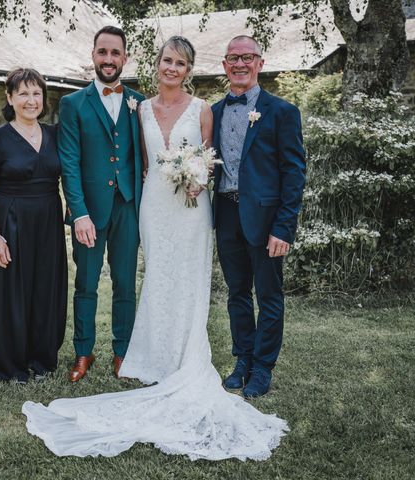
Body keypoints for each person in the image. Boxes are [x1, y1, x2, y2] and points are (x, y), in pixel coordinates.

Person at [22, 36, 288, 461]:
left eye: (180, 63)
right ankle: (124, 353)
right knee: (154, 276)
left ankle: (185, 356)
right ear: (156, 64)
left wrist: (197, 178)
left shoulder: (203, 110)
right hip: (151, 206)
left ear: (189, 69)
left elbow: (210, 159)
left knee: (183, 279)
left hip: (190, 208)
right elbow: (135, 161)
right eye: (167, 60)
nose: (172, 68)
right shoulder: (139, 108)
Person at [213, 36, 306, 398]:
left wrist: (284, 226)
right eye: (233, 58)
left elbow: (294, 172)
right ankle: (243, 358)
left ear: (260, 63)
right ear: (224, 65)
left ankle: (263, 366)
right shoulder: (215, 110)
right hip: (225, 212)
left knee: (268, 294)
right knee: (237, 292)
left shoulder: (282, 112)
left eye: (246, 57)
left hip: (266, 219)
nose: (240, 64)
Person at [58, 26, 145, 382]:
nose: (108, 59)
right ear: (93, 55)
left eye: (115, 53)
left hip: (128, 206)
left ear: (125, 58)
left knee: (125, 283)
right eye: (102, 52)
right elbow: (69, 163)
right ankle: (83, 351)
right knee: (87, 284)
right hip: (89, 211)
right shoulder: (72, 104)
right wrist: (78, 213)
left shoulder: (140, 102)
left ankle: (123, 352)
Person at [0, 68, 67, 384]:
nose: (31, 100)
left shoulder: (55, 134)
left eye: (36, 93)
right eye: (23, 93)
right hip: (10, 224)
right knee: (11, 292)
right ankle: (9, 362)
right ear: (9, 97)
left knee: (44, 288)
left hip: (48, 224)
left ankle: (40, 359)